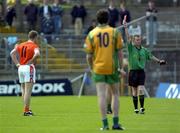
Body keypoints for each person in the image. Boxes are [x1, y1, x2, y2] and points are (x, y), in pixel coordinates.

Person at [84, 9, 124, 130]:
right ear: (108, 19)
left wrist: (91, 68)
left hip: (98, 68)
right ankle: (116, 123)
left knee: (101, 95)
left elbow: (89, 56)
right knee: (115, 94)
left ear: (97, 20)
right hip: (112, 67)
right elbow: (121, 53)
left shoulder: (91, 34)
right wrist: (121, 67)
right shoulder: (115, 32)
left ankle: (105, 125)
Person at [123, 15, 166, 114]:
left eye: (139, 39)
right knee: (134, 91)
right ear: (134, 40)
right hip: (132, 72)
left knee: (141, 89)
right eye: (136, 39)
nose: (138, 41)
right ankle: (136, 108)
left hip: (141, 72)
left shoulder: (144, 50)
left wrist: (159, 61)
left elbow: (151, 56)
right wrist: (125, 27)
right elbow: (128, 37)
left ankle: (142, 108)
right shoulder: (131, 48)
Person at [10, 30, 40, 116]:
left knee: (23, 89)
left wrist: (17, 64)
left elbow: (12, 53)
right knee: (28, 91)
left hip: (21, 68)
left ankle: (26, 109)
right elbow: (37, 54)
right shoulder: (34, 45)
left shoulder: (21, 44)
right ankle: (26, 110)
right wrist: (31, 60)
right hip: (28, 67)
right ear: (35, 37)